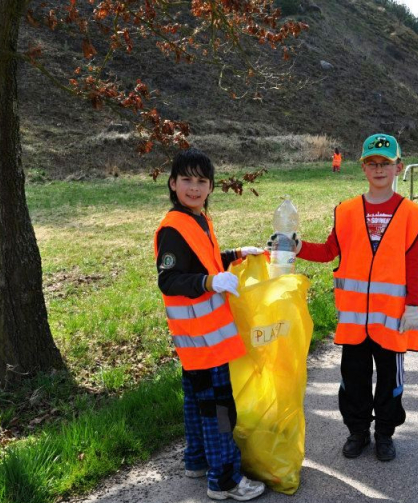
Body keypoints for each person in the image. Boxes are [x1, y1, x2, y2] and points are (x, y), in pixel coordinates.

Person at [287, 133, 418, 462]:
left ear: (399, 168)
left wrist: (413, 305)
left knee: (390, 383)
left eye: (385, 163)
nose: (379, 169)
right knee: (353, 381)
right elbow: (328, 251)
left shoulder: (411, 214)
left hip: (393, 317)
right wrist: (298, 247)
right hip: (354, 319)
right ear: (363, 168)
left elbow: (413, 262)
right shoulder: (348, 211)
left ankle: (384, 434)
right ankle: (357, 431)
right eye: (372, 164)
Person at [154, 148, 267, 501]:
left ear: (210, 187)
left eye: (201, 181)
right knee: (220, 410)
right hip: (202, 340)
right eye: (186, 179)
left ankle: (197, 461)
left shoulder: (199, 219)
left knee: (196, 402)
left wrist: (233, 256)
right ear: (173, 184)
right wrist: (208, 283)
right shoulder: (173, 227)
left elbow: (204, 260)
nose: (194, 187)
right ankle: (225, 480)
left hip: (200, 340)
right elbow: (169, 279)